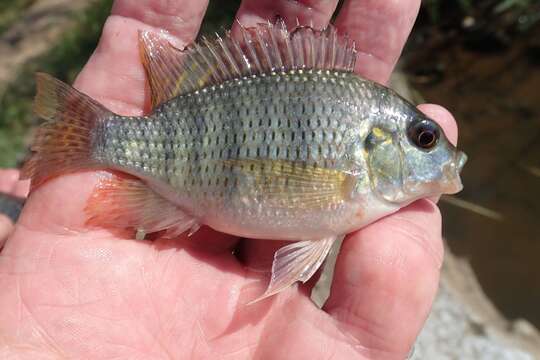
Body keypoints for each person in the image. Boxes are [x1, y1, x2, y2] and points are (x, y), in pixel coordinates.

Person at [0, 1, 459, 358]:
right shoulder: (350, 181)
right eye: (423, 139)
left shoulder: (356, 171)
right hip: (184, 180)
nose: (440, 155)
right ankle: (87, 137)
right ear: (374, 144)